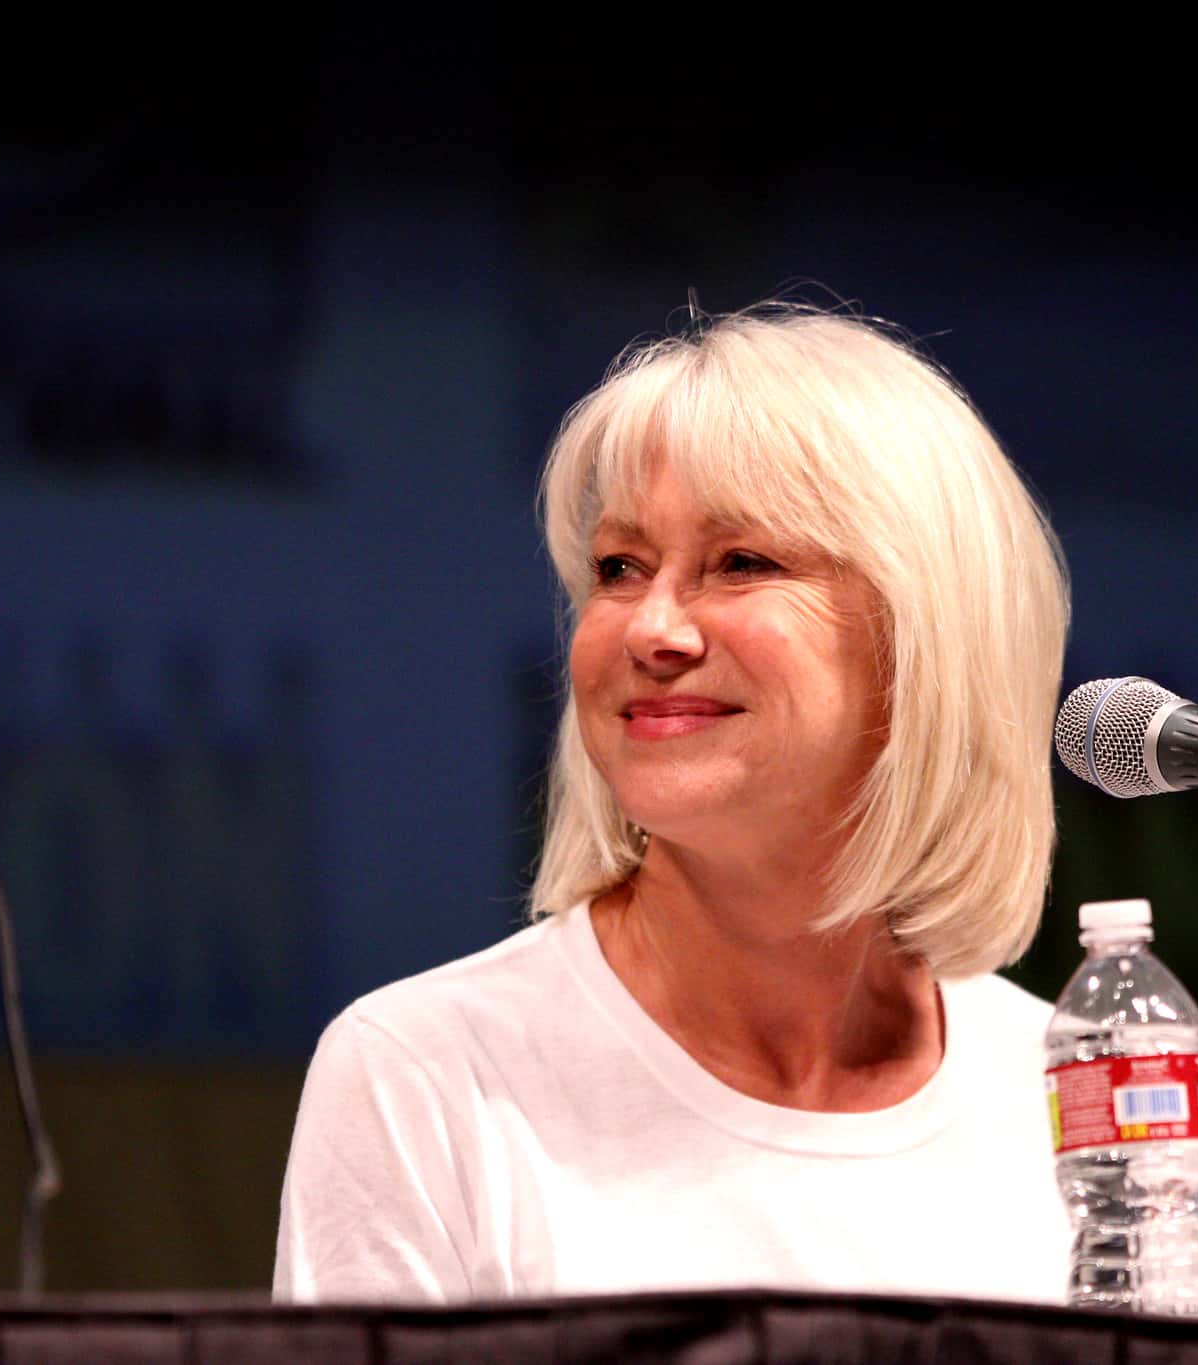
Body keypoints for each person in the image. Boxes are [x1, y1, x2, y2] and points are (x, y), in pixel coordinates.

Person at [274, 303, 1073, 1304]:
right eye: (620, 569)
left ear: (925, 633)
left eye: (741, 562)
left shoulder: (1070, 1083)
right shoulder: (427, 1073)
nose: (652, 630)